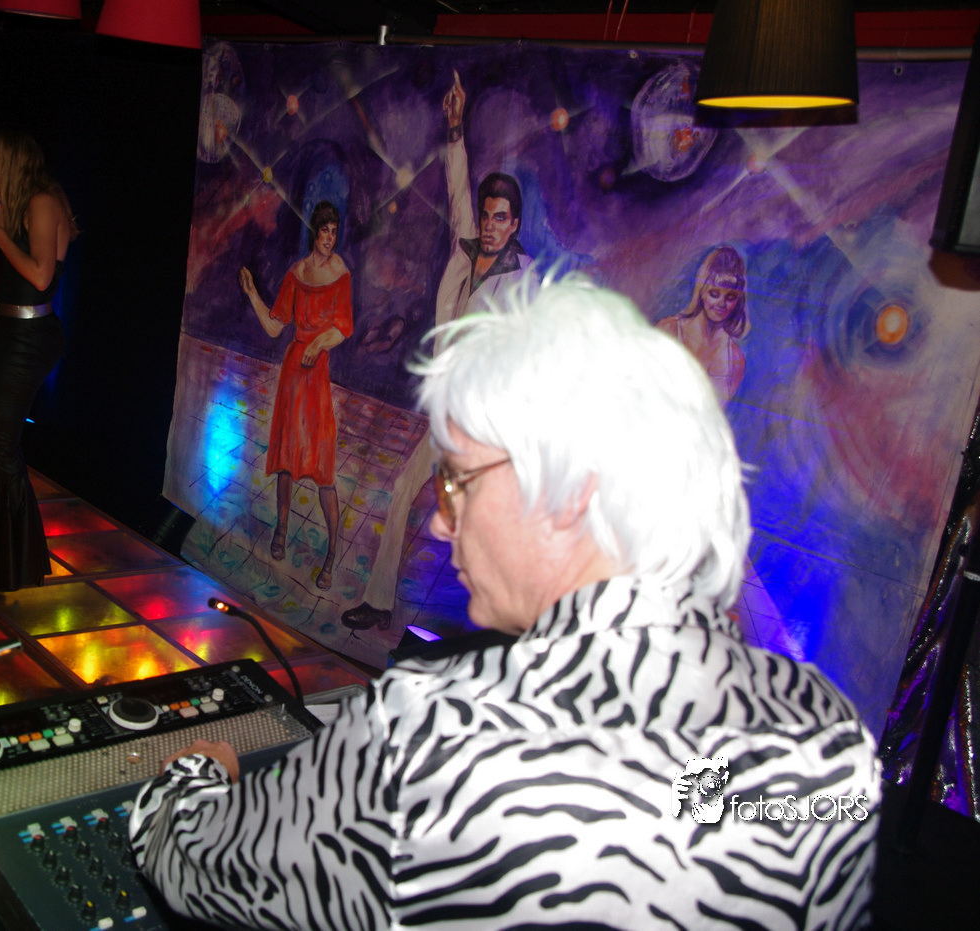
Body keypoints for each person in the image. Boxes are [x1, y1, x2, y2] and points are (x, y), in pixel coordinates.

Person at [129, 275, 879, 928]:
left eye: (458, 480)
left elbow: (196, 860)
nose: (438, 520)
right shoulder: (827, 739)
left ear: (571, 487)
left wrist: (194, 776)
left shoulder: (436, 739)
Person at [342, 69, 529, 631]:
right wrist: (454, 127)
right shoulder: (465, 249)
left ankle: (511, 623)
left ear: (514, 224)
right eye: (486, 215)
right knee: (403, 490)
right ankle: (379, 602)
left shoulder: (523, 278)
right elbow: (457, 183)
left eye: (500, 218)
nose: (490, 225)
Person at [0, 128, 76, 592]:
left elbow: (40, 276)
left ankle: (17, 563)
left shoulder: (42, 201)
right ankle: (2, 558)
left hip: (29, 337)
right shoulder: (25, 203)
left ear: (9, 158)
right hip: (12, 331)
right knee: (0, 443)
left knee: (0, 445)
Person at [239, 201, 353, 591]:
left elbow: (344, 327)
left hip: (315, 375)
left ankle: (332, 553)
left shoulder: (340, 274)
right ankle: (282, 528)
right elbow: (276, 326)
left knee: (321, 467)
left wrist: (318, 343)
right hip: (293, 374)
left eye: (334, 231)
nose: (330, 238)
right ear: (314, 232)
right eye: (324, 231)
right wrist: (252, 293)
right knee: (287, 459)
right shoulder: (297, 273)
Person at [656, 244, 749, 403]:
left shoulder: (735, 360)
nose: (721, 303)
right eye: (714, 294)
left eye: (730, 297)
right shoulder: (669, 330)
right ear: (702, 292)